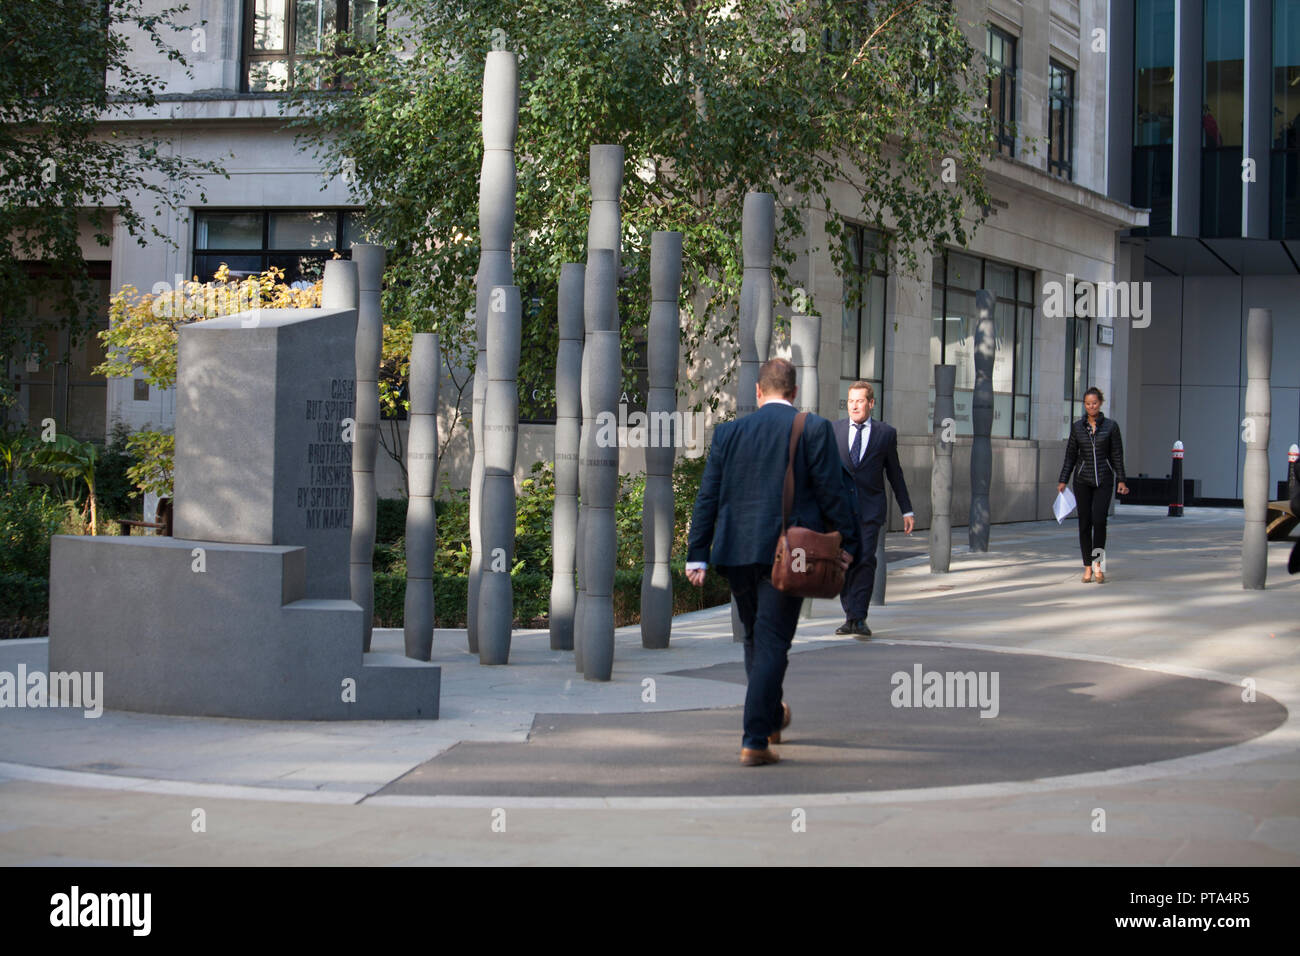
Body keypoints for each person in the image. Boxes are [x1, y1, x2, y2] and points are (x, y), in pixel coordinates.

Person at [686, 358, 858, 767]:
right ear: (794, 392)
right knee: (773, 642)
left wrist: (698, 553)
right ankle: (755, 738)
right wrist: (847, 543)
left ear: (758, 392)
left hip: (736, 553)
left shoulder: (728, 433)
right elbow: (832, 492)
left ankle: (771, 715)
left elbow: (708, 495)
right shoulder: (811, 428)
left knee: (754, 638)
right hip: (790, 554)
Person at [832, 381, 913, 639]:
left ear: (871, 403)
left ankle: (859, 617)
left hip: (870, 510)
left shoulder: (885, 434)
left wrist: (907, 510)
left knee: (866, 560)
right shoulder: (833, 430)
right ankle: (849, 616)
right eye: (850, 401)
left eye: (859, 401)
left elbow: (895, 474)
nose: (854, 406)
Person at [1058, 386, 1129, 583]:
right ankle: (1087, 567)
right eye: (1088, 404)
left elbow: (1117, 455)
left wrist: (1121, 479)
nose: (1091, 406)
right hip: (1082, 480)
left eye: (1094, 403)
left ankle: (1099, 564)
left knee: (1099, 521)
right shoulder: (1077, 427)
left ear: (1101, 403)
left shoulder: (1111, 427)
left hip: (1104, 480)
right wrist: (1063, 479)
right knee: (1084, 524)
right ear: (1084, 405)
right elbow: (1070, 455)